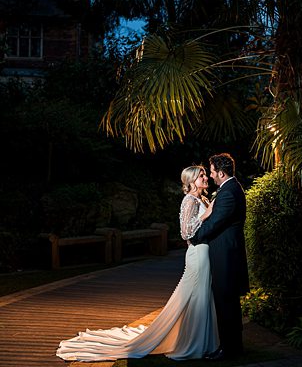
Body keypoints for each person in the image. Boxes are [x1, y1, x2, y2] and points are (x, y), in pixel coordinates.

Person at [56, 165, 219, 361]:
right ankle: (192, 343)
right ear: (191, 180)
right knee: (195, 295)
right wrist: (206, 214)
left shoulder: (202, 199)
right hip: (197, 254)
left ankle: (199, 339)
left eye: (204, 174)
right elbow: (186, 232)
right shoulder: (190, 201)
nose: (205, 177)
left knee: (200, 295)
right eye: (201, 175)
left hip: (204, 252)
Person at [189, 153, 250, 361]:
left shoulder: (228, 193)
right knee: (227, 302)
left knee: (226, 302)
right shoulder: (229, 189)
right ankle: (232, 347)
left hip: (226, 256)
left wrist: (195, 237)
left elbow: (215, 223)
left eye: (213, 171)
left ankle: (230, 350)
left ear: (221, 173)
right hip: (226, 254)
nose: (211, 175)